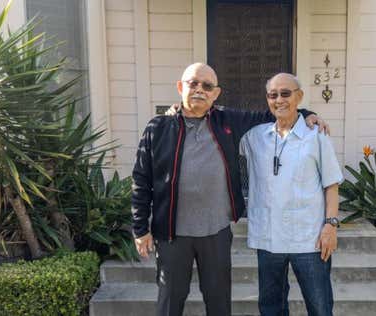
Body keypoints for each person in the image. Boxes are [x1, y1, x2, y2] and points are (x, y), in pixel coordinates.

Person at [131, 63, 327, 316]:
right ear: (180, 87)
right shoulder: (158, 127)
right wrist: (140, 229)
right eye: (193, 83)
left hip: (216, 233)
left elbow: (271, 114)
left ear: (216, 93)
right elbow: (141, 179)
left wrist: (306, 113)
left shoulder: (228, 120)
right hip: (171, 234)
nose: (199, 90)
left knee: (219, 303)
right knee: (170, 301)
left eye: (207, 86)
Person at [239, 73, 343, 316]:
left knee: (320, 306)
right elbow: (222, 134)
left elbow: (331, 185)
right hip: (268, 239)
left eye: (285, 93)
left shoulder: (316, 136)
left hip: (309, 239)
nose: (279, 100)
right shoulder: (255, 137)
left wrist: (331, 226)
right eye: (272, 95)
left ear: (299, 97)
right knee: (271, 308)